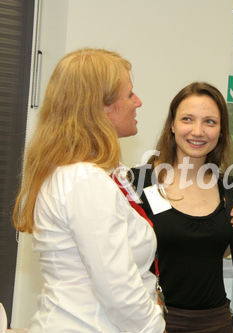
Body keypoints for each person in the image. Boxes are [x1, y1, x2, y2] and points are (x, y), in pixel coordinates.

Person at [12, 48, 165, 332]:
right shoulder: (84, 180)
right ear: (101, 106)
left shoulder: (92, 173)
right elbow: (118, 290)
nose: (138, 102)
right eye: (130, 94)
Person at [131, 82, 233, 333]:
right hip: (156, 321)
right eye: (187, 119)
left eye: (210, 122)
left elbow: (200, 254)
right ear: (172, 125)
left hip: (217, 321)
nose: (197, 131)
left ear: (221, 130)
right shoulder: (140, 182)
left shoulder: (226, 185)